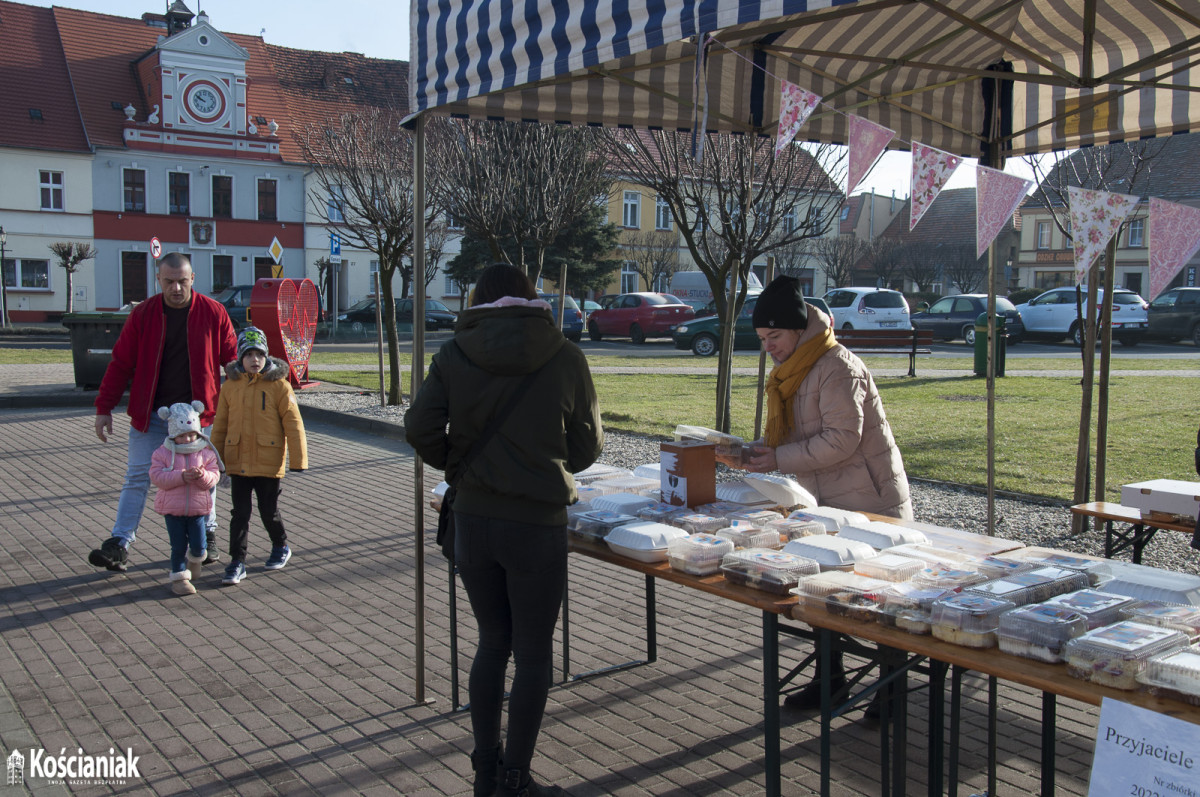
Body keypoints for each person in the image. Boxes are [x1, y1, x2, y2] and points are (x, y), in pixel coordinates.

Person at [405, 264, 603, 797]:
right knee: (535, 652)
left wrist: (460, 469)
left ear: (477, 299)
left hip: (473, 518)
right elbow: (589, 447)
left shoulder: (454, 351)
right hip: (536, 523)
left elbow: (418, 427)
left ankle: (486, 772)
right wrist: (545, 464)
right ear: (533, 299)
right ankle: (516, 779)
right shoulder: (565, 355)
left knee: (493, 642)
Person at [722, 274, 913, 710]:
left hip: (870, 502)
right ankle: (831, 679)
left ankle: (891, 692)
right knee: (821, 592)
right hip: (827, 502)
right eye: (762, 337)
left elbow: (842, 440)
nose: (768, 346)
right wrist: (755, 453)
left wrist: (777, 458)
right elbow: (794, 438)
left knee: (874, 602)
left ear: (797, 329)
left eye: (774, 336)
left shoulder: (835, 366)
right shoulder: (795, 367)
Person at [89, 252, 238, 573]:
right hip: (152, 418)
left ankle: (207, 534)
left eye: (182, 281)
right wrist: (104, 408)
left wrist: (241, 404)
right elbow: (120, 363)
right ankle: (119, 543)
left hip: (200, 418)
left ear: (193, 279)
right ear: (158, 280)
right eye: (169, 281)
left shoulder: (214, 313)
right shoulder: (143, 315)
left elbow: (232, 362)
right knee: (137, 476)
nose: (175, 288)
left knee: (204, 479)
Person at [211, 327, 308, 586]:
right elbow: (220, 424)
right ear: (240, 358)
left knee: (269, 512)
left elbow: (293, 423)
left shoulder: (280, 386)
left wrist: (298, 461)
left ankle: (280, 546)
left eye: (260, 354)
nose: (255, 360)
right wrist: (213, 459)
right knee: (239, 514)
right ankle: (236, 562)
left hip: (268, 461)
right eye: (249, 354)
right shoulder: (230, 387)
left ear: (267, 357)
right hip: (238, 461)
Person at [148, 401, 223, 596]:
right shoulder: (162, 453)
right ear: (173, 435)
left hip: (198, 510)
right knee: (178, 546)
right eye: (182, 435)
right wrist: (181, 476)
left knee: (199, 546)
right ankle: (180, 579)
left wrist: (202, 476)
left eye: (191, 434)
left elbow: (214, 476)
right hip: (173, 510)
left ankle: (195, 560)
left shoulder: (205, 452)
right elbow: (157, 477)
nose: (188, 439)